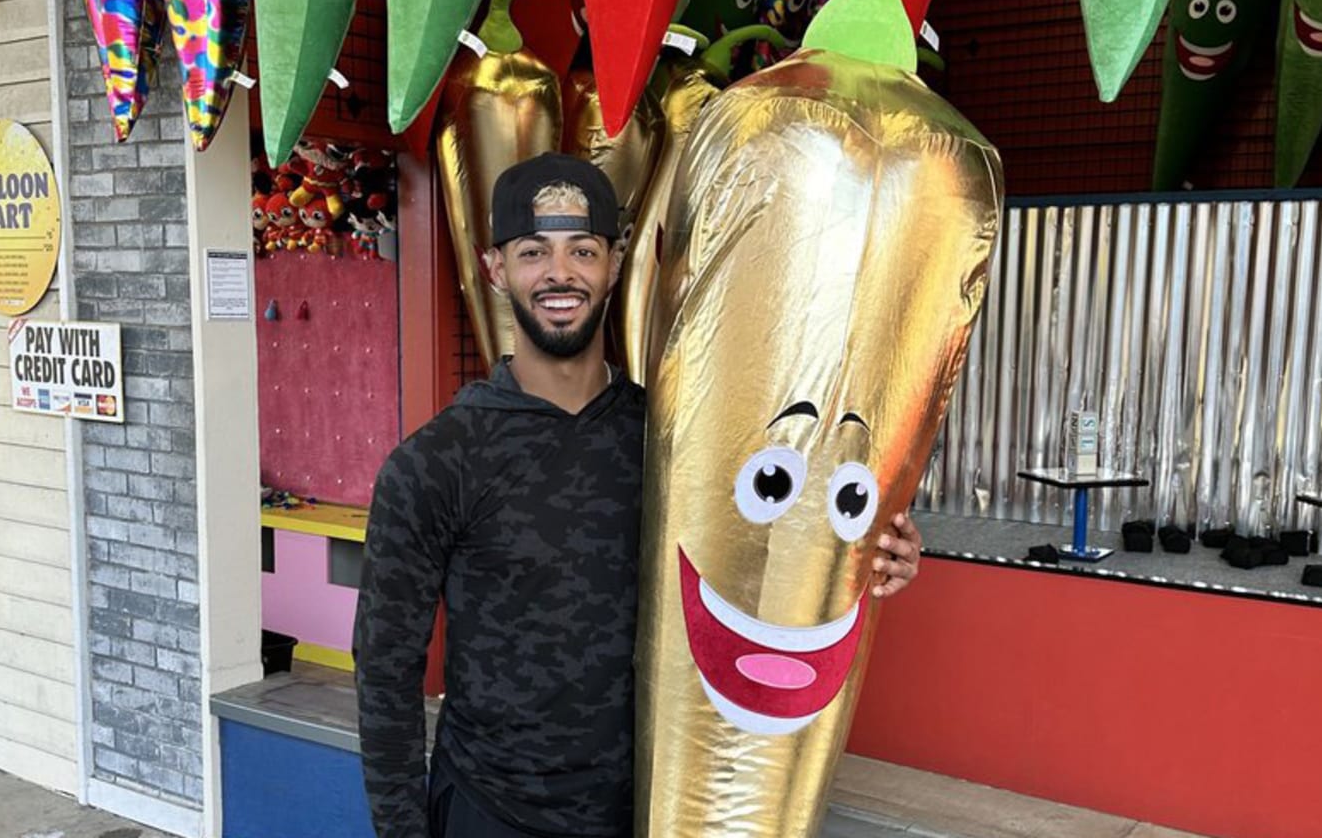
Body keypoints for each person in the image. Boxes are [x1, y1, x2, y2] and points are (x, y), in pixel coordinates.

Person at [354, 153, 924, 838]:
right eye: (533, 252)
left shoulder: (677, 446)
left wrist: (875, 554)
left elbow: (780, 533)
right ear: (494, 267)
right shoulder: (434, 464)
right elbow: (385, 676)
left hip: (653, 808)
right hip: (490, 809)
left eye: (582, 250)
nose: (559, 274)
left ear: (615, 264)